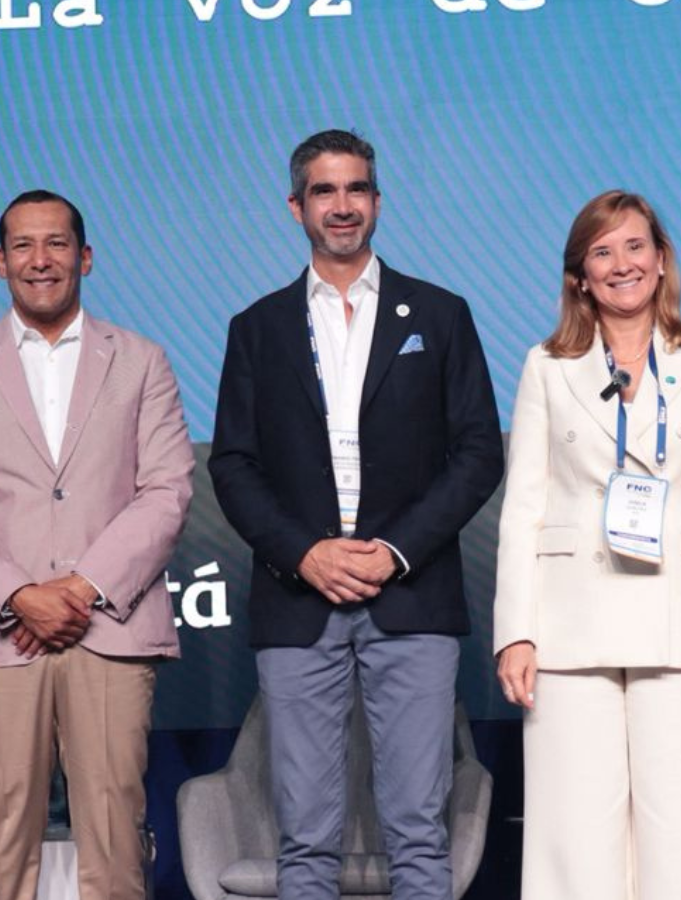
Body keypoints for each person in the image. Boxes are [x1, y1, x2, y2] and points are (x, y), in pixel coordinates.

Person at [209, 129, 504, 899]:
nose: (342, 206)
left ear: (377, 200)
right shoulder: (257, 328)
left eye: (356, 189)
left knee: (419, 834)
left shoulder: (440, 314)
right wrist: (305, 553)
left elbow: (478, 452)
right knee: (305, 839)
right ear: (296, 206)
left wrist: (394, 551)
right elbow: (233, 465)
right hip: (298, 597)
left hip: (411, 594)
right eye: (324, 191)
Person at [0, 189, 194, 900]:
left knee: (116, 839)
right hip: (1, 638)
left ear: (85, 257)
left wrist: (78, 589)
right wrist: (20, 596)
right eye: (23, 245)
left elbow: (166, 490)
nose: (40, 260)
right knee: (5, 839)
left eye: (57, 243)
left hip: (110, 630)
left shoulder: (142, 360)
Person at [494, 190, 681, 900]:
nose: (622, 264)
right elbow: (524, 508)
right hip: (568, 629)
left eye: (636, 246)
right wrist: (515, 633)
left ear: (662, 259)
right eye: (602, 251)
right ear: (580, 275)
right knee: (573, 839)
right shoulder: (546, 365)